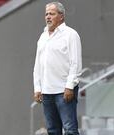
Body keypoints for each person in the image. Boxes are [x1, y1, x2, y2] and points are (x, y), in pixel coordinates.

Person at [33, 2, 82, 135]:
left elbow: (75, 63)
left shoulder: (71, 35)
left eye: (52, 14)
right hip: (47, 91)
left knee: (70, 129)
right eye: (46, 14)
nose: (48, 17)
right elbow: (38, 64)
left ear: (61, 16)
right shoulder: (42, 37)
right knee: (52, 130)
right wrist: (37, 87)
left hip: (64, 90)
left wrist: (70, 86)